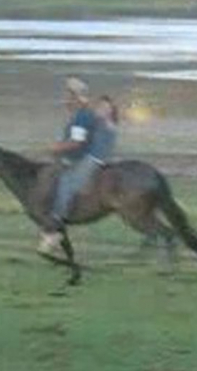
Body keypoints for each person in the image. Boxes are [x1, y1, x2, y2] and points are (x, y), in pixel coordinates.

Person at [37, 80, 118, 257]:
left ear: (77, 98)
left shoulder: (81, 116)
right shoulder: (84, 115)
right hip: (87, 156)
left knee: (66, 182)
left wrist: (55, 148)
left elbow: (77, 142)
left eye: (69, 96)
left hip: (92, 158)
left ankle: (55, 226)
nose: (66, 100)